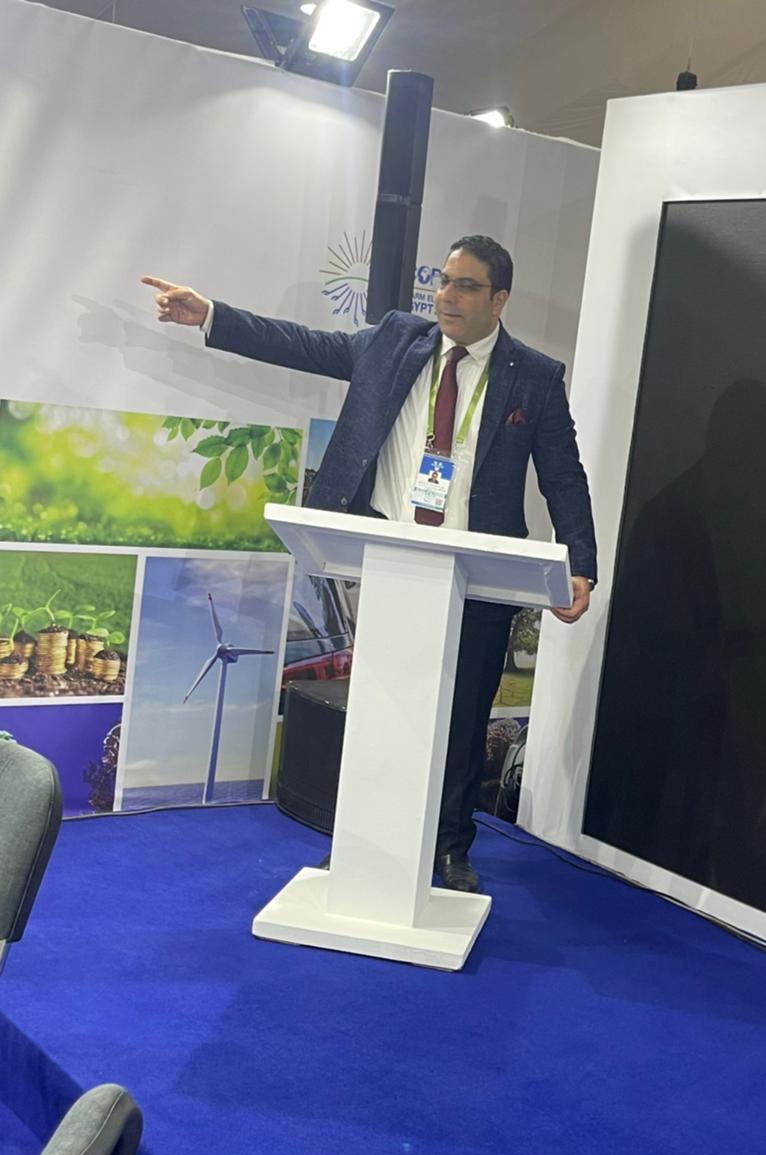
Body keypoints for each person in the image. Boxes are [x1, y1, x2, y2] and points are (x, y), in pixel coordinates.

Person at [142, 235, 597, 893]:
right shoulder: (394, 341)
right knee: (380, 709)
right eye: (443, 281)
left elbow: (564, 476)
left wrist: (580, 561)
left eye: (465, 285)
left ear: (499, 299)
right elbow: (303, 345)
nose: (446, 295)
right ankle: (363, 840)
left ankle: (449, 850)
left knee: (463, 720)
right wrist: (211, 314)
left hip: (479, 578)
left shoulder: (534, 376)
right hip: (392, 563)